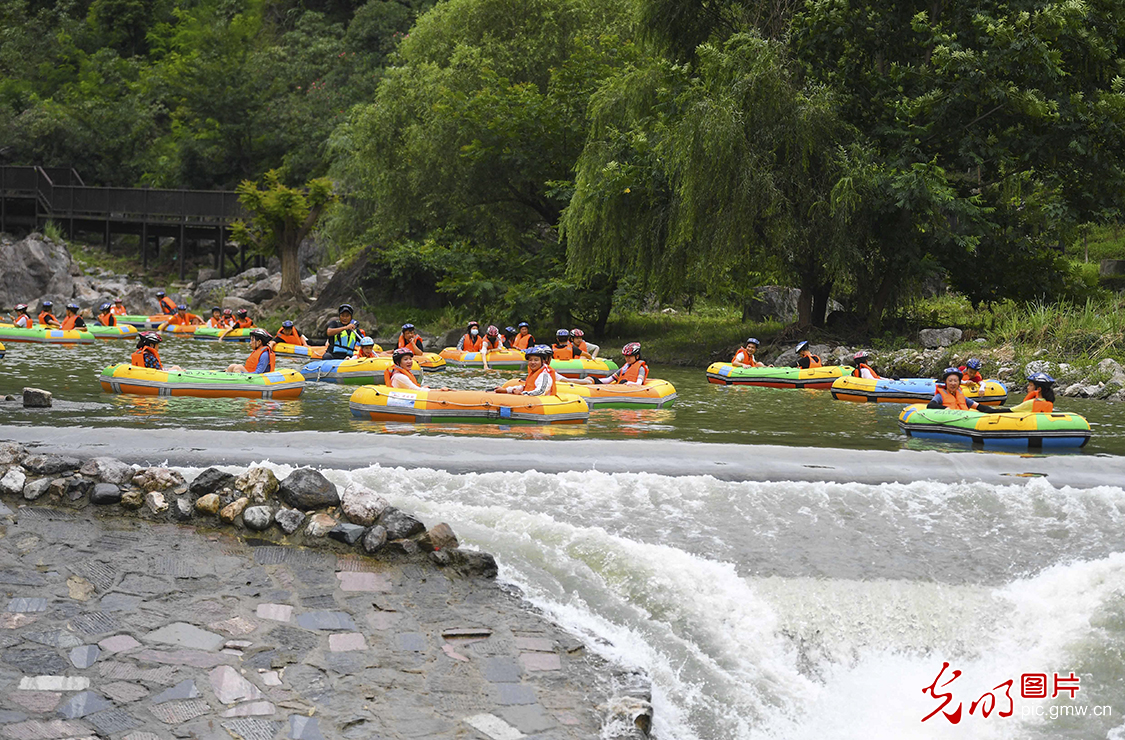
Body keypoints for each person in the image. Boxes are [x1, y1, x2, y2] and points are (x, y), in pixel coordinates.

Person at [927, 368, 1005, 412]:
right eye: (950, 381)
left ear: (959, 383)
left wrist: (997, 411)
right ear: (945, 382)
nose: (953, 383)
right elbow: (930, 405)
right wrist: (945, 409)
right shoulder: (940, 396)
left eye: (955, 381)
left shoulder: (961, 397)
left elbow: (978, 406)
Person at [494, 345, 559, 396]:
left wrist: (522, 394)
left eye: (536, 360)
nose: (533, 362)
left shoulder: (544, 375)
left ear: (542, 361)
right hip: (528, 399)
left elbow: (540, 392)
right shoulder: (534, 373)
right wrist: (508, 390)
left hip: (540, 404)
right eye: (530, 360)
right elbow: (525, 387)